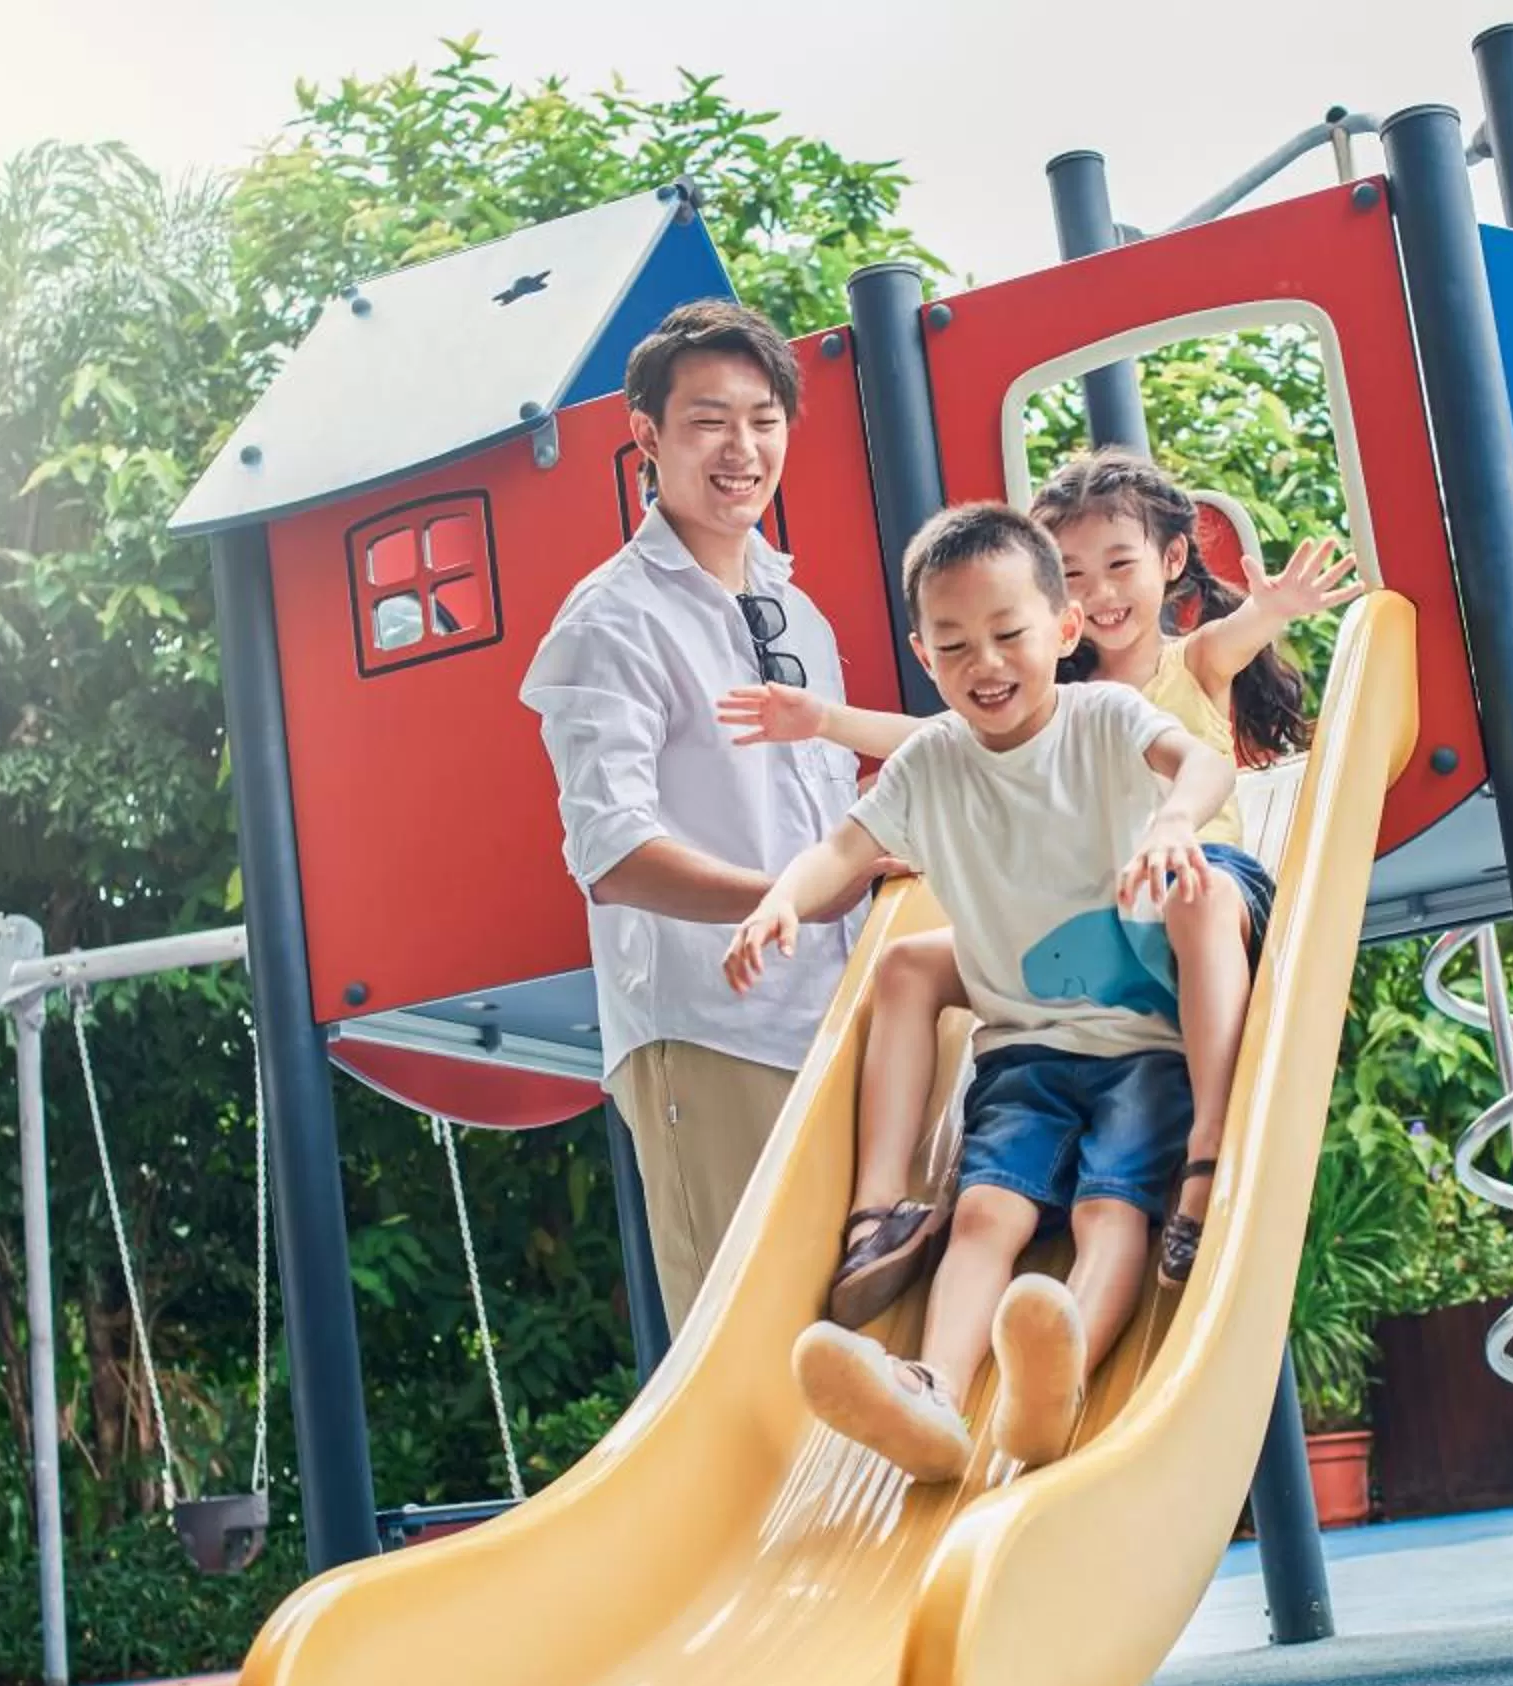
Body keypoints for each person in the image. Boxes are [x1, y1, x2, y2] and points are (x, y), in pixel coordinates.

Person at [721, 451, 1357, 1324]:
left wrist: (1270, 612)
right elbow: (936, 741)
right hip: (1089, 921)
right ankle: (881, 1209)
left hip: (1194, 878)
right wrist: (793, 867)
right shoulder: (1047, 702)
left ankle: (1209, 1143)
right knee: (907, 965)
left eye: (1119, 566)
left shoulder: (1160, 681)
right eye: (1078, 572)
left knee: (1193, 895)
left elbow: (1208, 740)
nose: (1100, 593)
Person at [723, 503, 1236, 1483]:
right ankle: (934, 1395)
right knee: (983, 1216)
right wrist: (784, 900)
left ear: (1064, 629)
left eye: (1009, 634)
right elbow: (847, 847)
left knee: (1111, 1214)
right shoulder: (931, 761)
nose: (985, 663)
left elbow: (1203, 760)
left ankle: (1061, 1376)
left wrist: (1174, 821)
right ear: (923, 652)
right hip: (1020, 1049)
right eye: (955, 645)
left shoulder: (1104, 718)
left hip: (1141, 1043)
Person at [521, 299, 863, 1335]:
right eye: (709, 419)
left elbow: (840, 816)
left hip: (838, 1022)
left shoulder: (798, 610)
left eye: (764, 419)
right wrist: (787, 900)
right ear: (647, 436)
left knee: (857, 1340)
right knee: (753, 1349)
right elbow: (612, 852)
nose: (742, 447)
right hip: (709, 1030)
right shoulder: (611, 619)